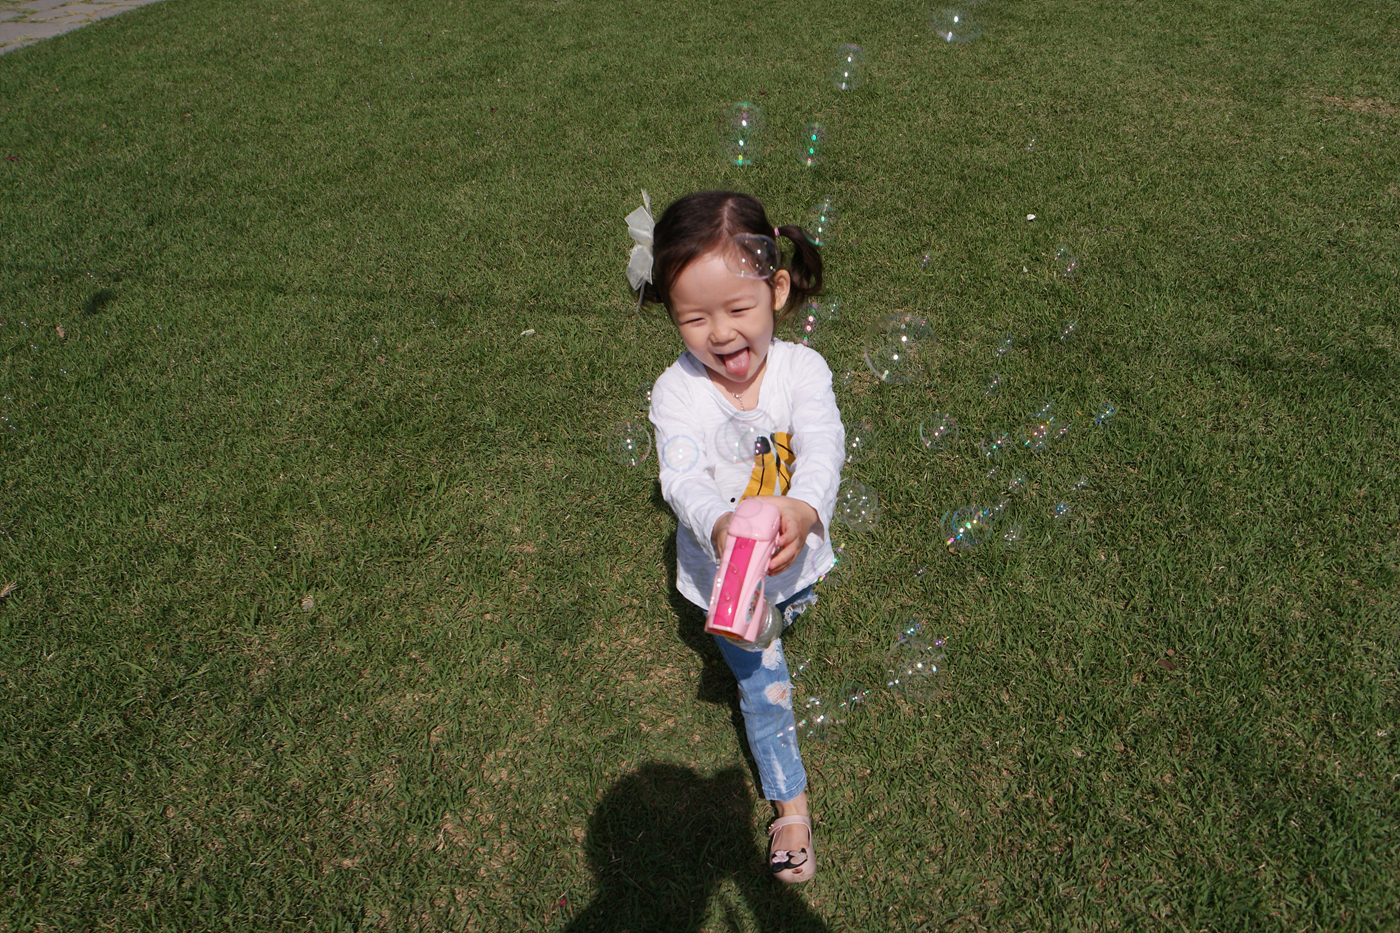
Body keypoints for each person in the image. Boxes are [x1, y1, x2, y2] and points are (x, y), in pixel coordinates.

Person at [638, 190, 845, 884]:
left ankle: (789, 610)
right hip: (727, 585)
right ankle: (791, 806)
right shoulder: (676, 391)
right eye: (694, 318)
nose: (721, 334)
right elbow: (682, 478)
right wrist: (721, 524)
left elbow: (822, 446)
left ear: (776, 291)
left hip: (796, 561)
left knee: (792, 607)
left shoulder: (802, 370)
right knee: (765, 686)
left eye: (737, 309)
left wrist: (805, 510)